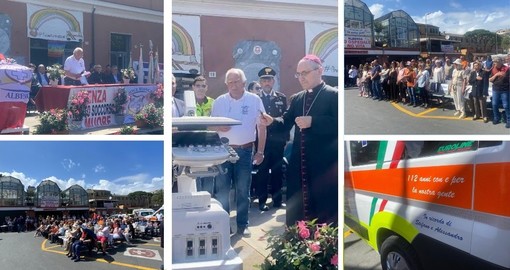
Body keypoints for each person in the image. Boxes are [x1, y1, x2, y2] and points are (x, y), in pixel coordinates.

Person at [260, 54, 338, 227]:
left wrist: (314, 121)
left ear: (320, 71)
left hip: (323, 166)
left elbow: (341, 124)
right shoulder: (297, 98)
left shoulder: (334, 95)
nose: (301, 78)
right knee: (299, 210)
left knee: (323, 208)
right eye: (298, 74)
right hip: (300, 165)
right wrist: (272, 121)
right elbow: (285, 122)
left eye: (305, 73)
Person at [210, 68, 267, 237]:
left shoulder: (254, 100)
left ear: (243, 82)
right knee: (222, 191)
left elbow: (262, 127)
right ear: (226, 83)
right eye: (230, 82)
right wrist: (218, 127)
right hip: (223, 151)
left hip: (245, 150)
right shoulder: (219, 101)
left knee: (243, 190)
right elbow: (210, 126)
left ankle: (243, 224)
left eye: (236, 82)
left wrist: (260, 151)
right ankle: (223, 225)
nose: (233, 86)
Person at [254, 66, 287, 211]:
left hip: (277, 142)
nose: (267, 83)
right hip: (262, 143)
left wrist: (273, 119)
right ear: (260, 82)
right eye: (264, 80)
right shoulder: (256, 99)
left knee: (277, 172)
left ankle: (277, 200)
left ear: (273, 81)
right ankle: (261, 201)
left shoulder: (281, 97)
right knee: (262, 172)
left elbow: (285, 118)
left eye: (269, 80)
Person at [489, 57, 510, 128]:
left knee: (506, 105)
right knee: (494, 104)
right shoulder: (493, 69)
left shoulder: (507, 69)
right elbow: (490, 80)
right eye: (494, 62)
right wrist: (496, 75)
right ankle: (496, 118)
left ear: (500, 62)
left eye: (496, 62)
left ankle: (508, 121)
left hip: (505, 90)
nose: (495, 63)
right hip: (496, 89)